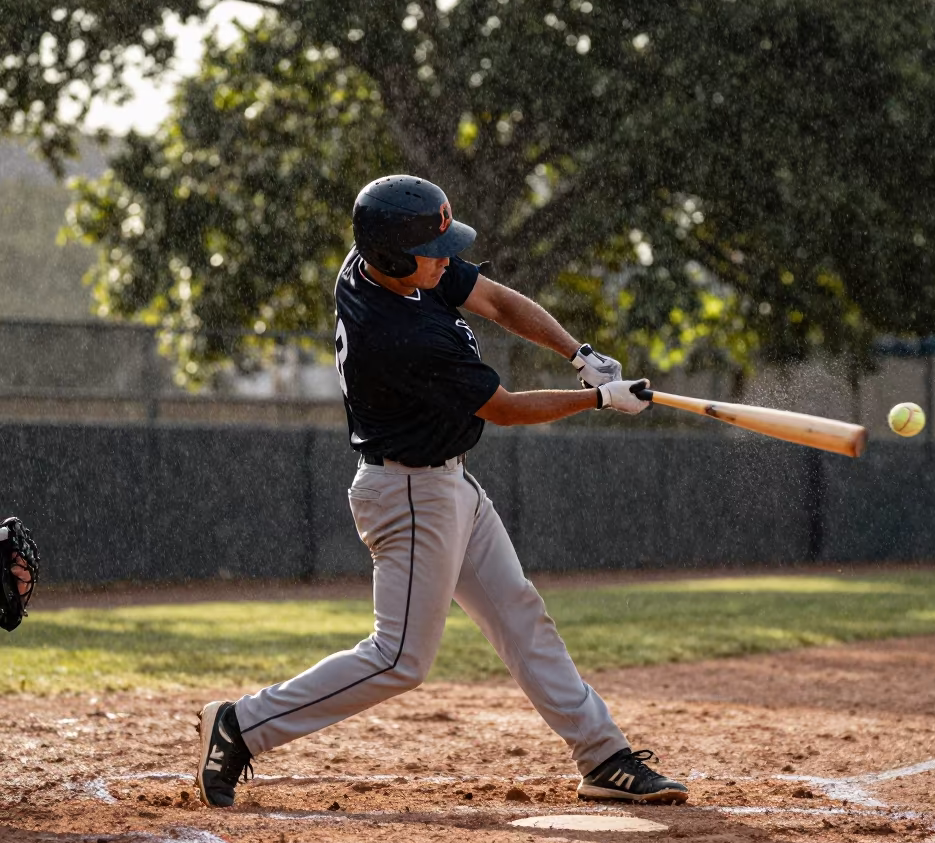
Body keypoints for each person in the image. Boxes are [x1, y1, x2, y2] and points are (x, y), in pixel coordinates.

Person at [196, 175, 688, 808]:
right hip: (408, 492)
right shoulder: (401, 336)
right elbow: (505, 409)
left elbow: (502, 304)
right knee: (400, 658)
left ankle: (603, 757)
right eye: (435, 248)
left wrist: (579, 353)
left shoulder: (391, 267)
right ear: (397, 257)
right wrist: (598, 398)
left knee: (520, 615)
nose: (448, 258)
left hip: (446, 480)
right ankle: (241, 726)